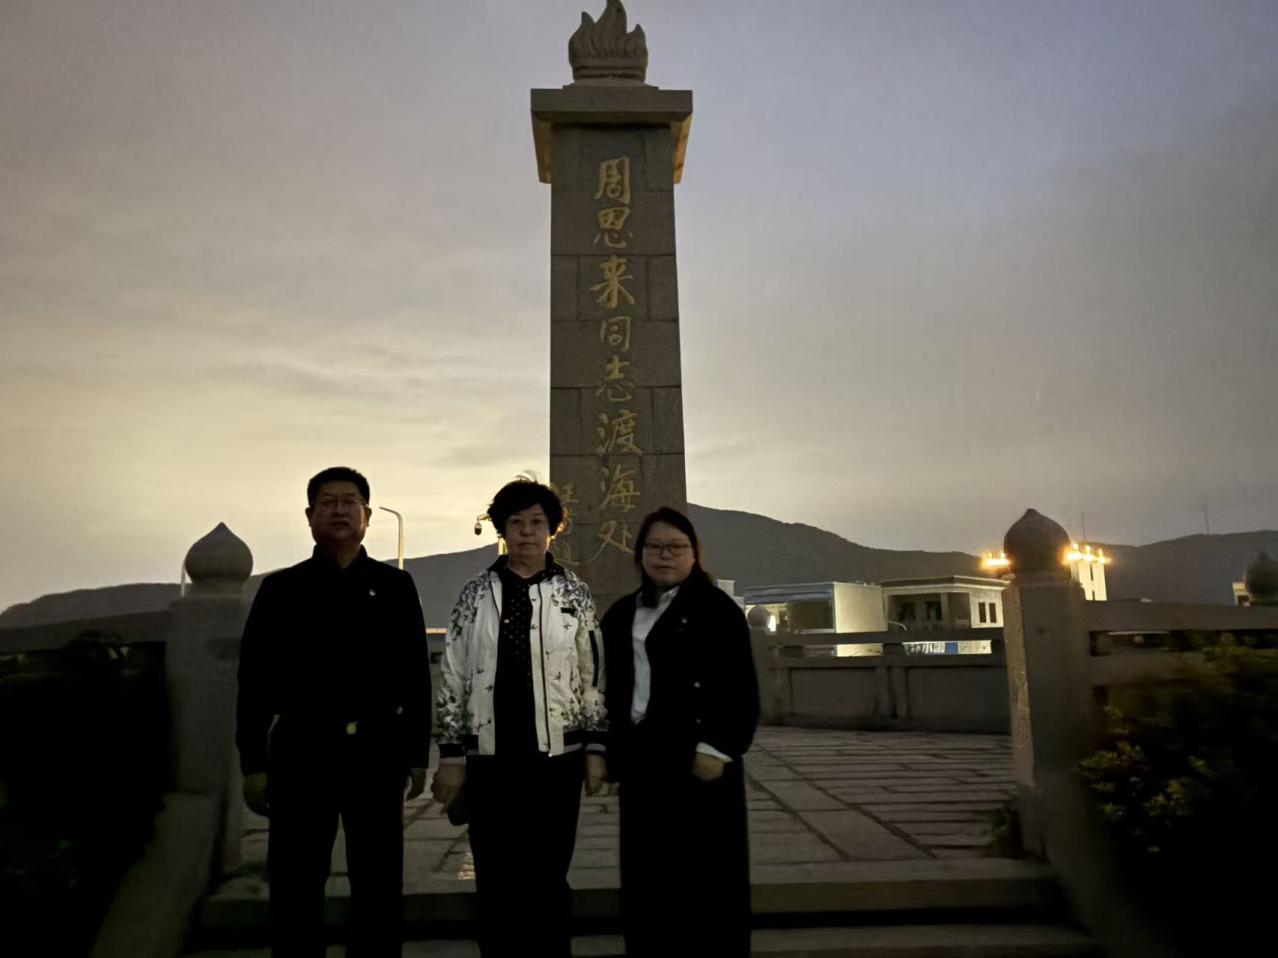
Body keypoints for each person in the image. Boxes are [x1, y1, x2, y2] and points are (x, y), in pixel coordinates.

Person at [236, 466, 431, 957]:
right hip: (303, 751)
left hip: (376, 751)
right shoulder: (281, 589)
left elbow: (415, 675)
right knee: (295, 881)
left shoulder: (395, 586)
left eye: (349, 502)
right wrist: (252, 762)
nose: (339, 511)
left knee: (378, 881)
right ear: (309, 516)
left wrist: (415, 754)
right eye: (327, 502)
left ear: (367, 515)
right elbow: (254, 680)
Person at [431, 477, 606, 957]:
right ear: (502, 530)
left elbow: (592, 673)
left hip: (557, 756)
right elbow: (453, 674)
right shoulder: (475, 593)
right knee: (496, 876)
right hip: (491, 756)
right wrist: (452, 755)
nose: (527, 532)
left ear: (553, 529)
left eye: (537, 522)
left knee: (549, 874)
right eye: (516, 522)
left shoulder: (574, 592)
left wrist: (595, 747)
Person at [599, 506, 759, 956]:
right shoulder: (622, 613)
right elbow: (604, 686)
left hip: (698, 760)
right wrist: (605, 751)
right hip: (642, 760)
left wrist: (718, 747)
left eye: (675, 547)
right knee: (648, 876)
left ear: (694, 554)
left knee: (708, 879)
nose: (664, 555)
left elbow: (740, 687)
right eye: (654, 546)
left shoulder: (718, 610)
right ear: (640, 554)